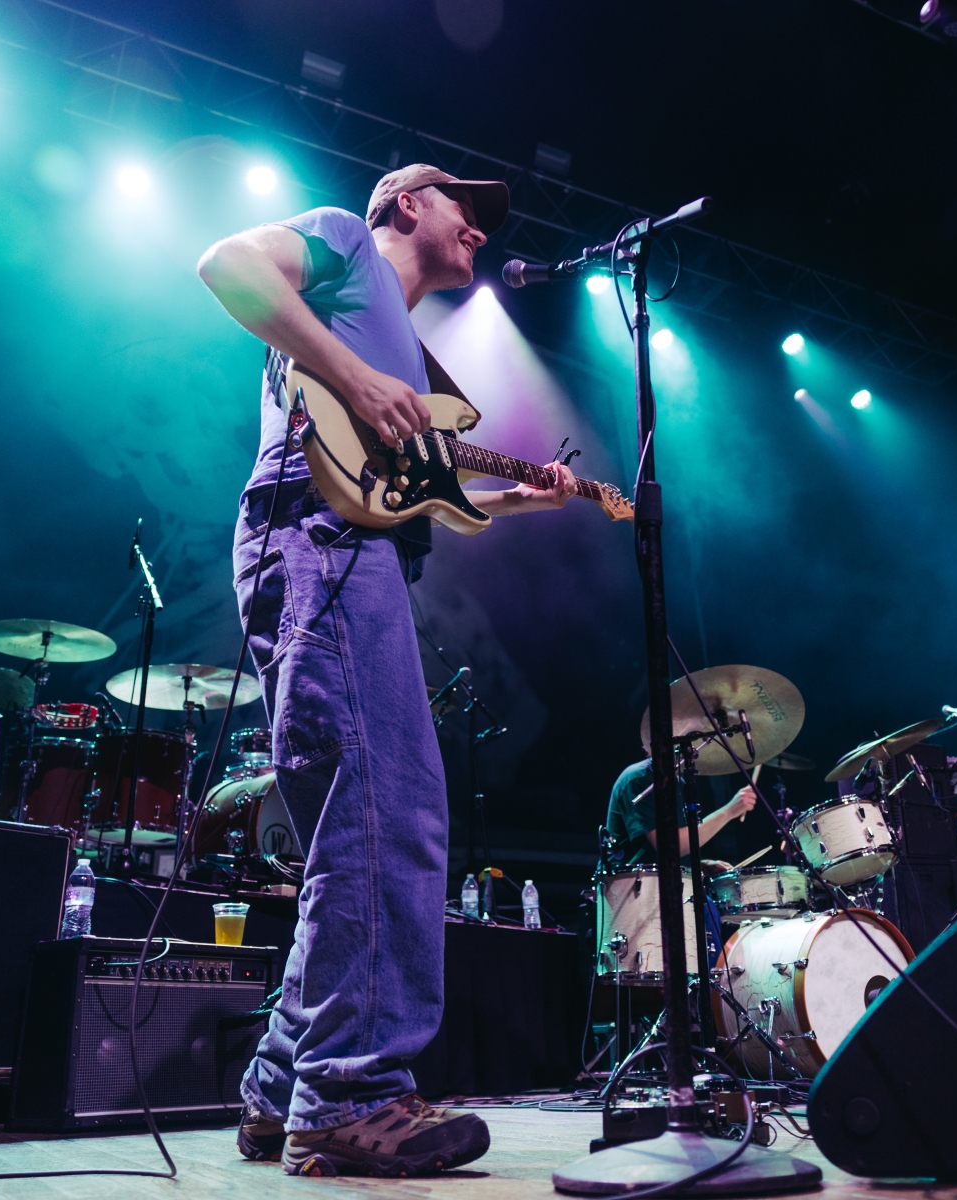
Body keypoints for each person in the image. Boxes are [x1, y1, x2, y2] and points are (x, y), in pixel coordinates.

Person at [197, 164, 577, 1178]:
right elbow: (227, 263)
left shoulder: (408, 351)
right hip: (314, 542)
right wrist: (359, 378)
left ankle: (283, 1088)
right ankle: (351, 1096)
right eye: (465, 206)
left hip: (345, 552)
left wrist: (519, 501)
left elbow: (410, 494)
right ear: (408, 202)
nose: (480, 229)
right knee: (388, 812)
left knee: (354, 824)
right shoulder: (342, 237)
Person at [604, 758, 758, 869]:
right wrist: (730, 810)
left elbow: (672, 850)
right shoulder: (638, 778)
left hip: (662, 884)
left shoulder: (679, 783)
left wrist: (700, 866)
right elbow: (669, 846)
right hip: (631, 889)